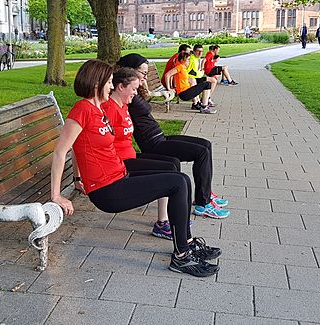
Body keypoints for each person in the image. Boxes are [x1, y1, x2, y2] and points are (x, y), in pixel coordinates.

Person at [50, 59, 221, 277]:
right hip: (107, 190)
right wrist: (57, 195)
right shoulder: (82, 110)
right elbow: (61, 150)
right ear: (96, 84)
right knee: (178, 183)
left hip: (119, 175)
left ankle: (186, 244)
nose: (112, 87)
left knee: (181, 179)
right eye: (109, 82)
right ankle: (181, 256)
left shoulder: (99, 110)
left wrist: (78, 177)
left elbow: (81, 146)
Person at [117, 54, 230, 219]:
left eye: (146, 74)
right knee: (201, 153)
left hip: (160, 137)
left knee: (205, 145)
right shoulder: (126, 94)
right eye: (143, 73)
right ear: (129, 72)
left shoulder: (136, 91)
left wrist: (151, 87)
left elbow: (145, 96)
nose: (145, 77)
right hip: (153, 144)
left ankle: (205, 194)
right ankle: (203, 203)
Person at [103, 67, 181, 240]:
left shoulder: (124, 105)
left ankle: (165, 219)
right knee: (171, 174)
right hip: (122, 162)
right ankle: (163, 223)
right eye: (134, 89)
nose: (136, 93)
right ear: (121, 87)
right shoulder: (109, 109)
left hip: (131, 156)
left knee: (173, 164)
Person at [187, 44, 218, 110]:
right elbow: (191, 73)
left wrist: (201, 70)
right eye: (198, 51)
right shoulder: (192, 59)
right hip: (192, 78)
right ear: (194, 51)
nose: (200, 53)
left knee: (213, 80)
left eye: (202, 51)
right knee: (209, 82)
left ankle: (207, 98)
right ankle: (202, 102)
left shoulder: (196, 58)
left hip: (196, 77)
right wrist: (202, 72)